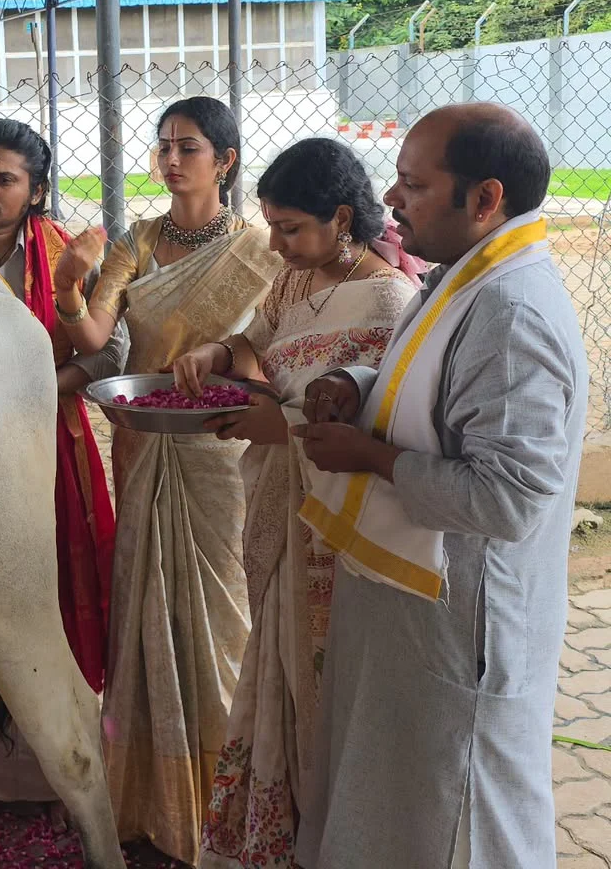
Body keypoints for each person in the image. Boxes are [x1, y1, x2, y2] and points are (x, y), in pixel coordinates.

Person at [292, 103, 587, 869]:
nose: (391, 199)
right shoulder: (467, 277)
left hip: (465, 628)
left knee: (462, 820)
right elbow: (428, 389)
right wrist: (353, 385)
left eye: (412, 184)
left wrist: (371, 457)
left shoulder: (512, 309)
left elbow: (508, 499)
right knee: (401, 805)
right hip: (417, 610)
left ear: (485, 200)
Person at [169, 139, 421, 868]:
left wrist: (274, 424)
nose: (275, 244)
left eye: (289, 229)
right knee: (276, 663)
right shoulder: (295, 279)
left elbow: (363, 419)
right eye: (271, 226)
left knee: (323, 679)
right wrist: (220, 353)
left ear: (342, 218)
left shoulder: (384, 298)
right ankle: (286, 837)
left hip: (335, 532)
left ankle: (336, 837)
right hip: (280, 507)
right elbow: (261, 338)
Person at [53, 96, 280, 864]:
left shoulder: (257, 248)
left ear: (226, 160)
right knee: (145, 597)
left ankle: (227, 795)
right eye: (164, 147)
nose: (171, 160)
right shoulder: (139, 240)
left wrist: (227, 359)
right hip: (145, 438)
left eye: (189, 147)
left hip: (218, 445)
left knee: (221, 608)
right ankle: (149, 802)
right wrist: (68, 286)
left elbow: (264, 352)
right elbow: (92, 334)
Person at [0, 118, 124, 814]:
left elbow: (108, 354)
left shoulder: (67, 255)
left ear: (36, 190)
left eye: (4, 178)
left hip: (47, 445)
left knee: (47, 593)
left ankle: (61, 767)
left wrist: (38, 387)